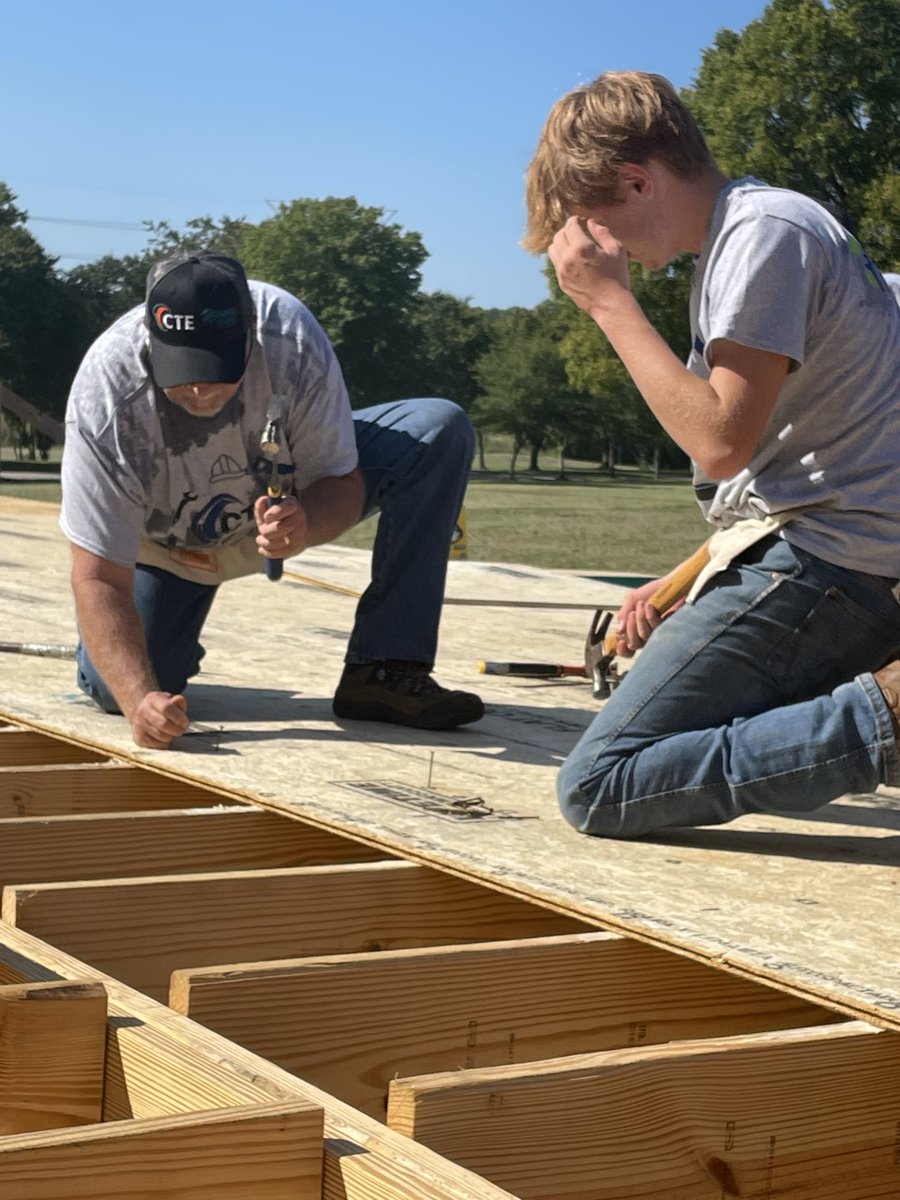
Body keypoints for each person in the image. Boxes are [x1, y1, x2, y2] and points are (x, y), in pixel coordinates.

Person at [524, 70, 900, 839]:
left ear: (636, 181)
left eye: (601, 223)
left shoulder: (765, 236)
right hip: (839, 560)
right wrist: (692, 574)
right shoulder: (762, 236)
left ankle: (888, 714)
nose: (607, 248)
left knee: (601, 783)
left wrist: (609, 303)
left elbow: (721, 443)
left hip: (832, 571)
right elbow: (805, 460)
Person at [60, 250, 484, 749]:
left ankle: (385, 669)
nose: (198, 387)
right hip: (169, 545)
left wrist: (307, 524)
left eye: (216, 367)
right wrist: (139, 702)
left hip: (276, 506)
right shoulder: (108, 395)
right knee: (118, 689)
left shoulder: (292, 339)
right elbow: (97, 575)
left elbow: (341, 482)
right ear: (152, 339)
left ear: (251, 333)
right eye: (181, 369)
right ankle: (148, 649)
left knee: (438, 429)